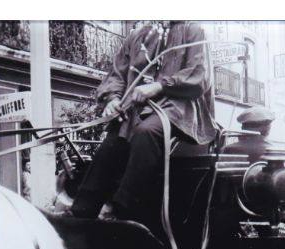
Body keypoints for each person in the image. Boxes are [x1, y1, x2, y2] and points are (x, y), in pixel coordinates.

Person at [69, 21, 217, 224]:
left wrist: (158, 86)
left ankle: (121, 211)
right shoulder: (137, 35)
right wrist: (112, 99)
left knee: (146, 132)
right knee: (112, 142)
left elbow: (199, 77)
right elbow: (117, 74)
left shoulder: (194, 30)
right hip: (136, 109)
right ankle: (81, 212)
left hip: (178, 108)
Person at [224, 106, 285, 219]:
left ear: (243, 127)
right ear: (267, 128)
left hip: (227, 222)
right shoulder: (276, 155)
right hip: (265, 223)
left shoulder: (225, 150)